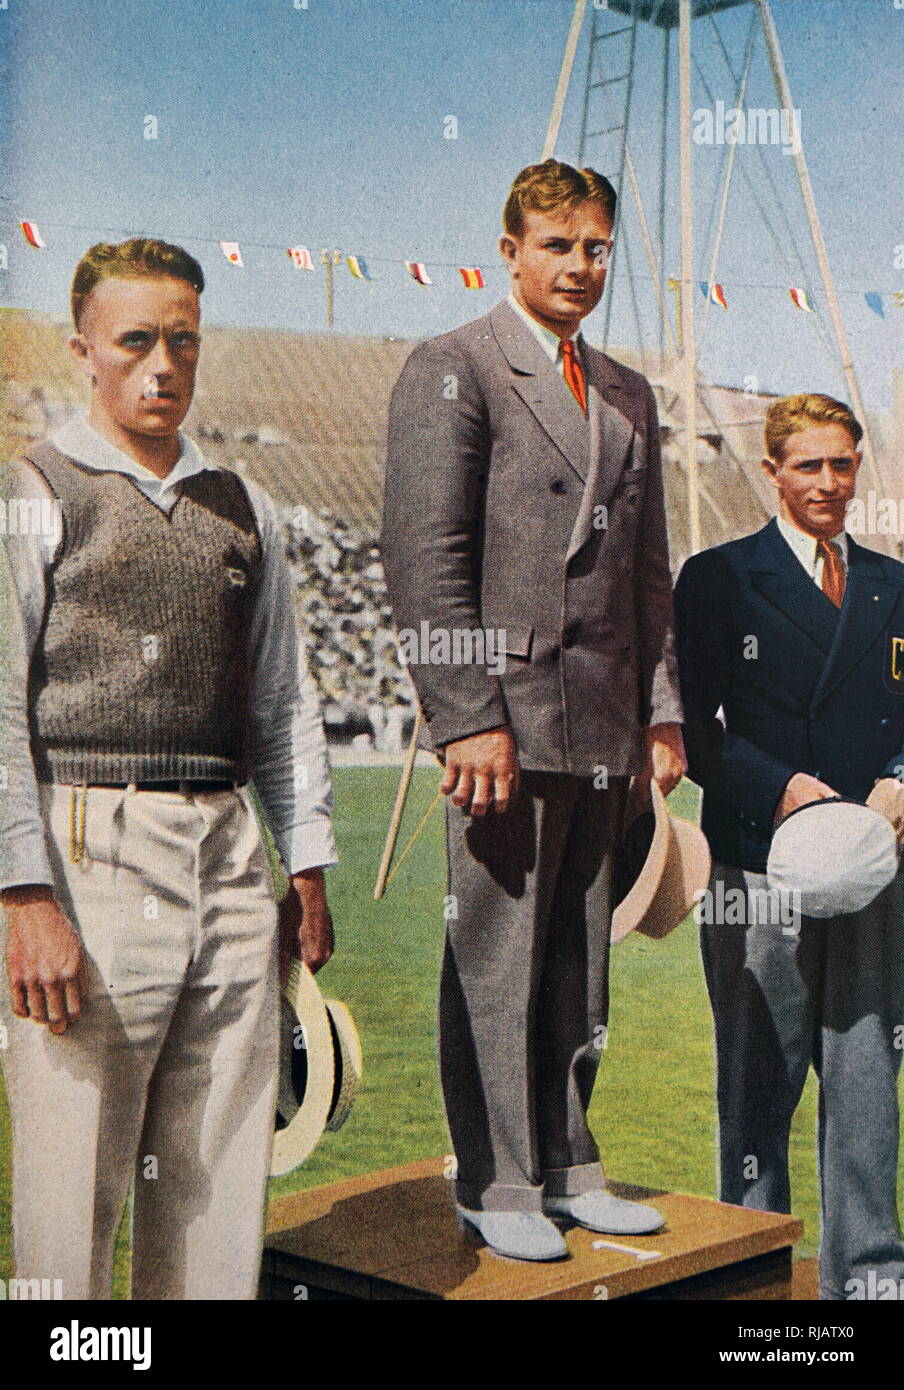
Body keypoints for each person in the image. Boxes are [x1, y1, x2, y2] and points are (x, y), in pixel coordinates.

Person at [0, 238, 337, 1300]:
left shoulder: (247, 504)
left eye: (181, 341)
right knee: (71, 1177)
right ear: (84, 350)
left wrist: (309, 869)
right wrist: (23, 892)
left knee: (216, 1174)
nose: (162, 364)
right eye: (136, 340)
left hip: (230, 850)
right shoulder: (35, 490)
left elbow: (283, 701)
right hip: (88, 845)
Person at [381, 160, 686, 1262]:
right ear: (507, 249)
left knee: (581, 955)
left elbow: (647, 574)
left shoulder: (627, 392)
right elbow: (425, 560)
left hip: (604, 717)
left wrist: (663, 710)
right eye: (557, 245)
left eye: (597, 247)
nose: (579, 266)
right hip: (501, 717)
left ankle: (568, 1161)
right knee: (500, 951)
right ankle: (493, 1176)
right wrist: (465, 715)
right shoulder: (454, 366)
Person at [674, 392, 904, 1300]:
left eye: (842, 463)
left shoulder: (894, 586)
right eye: (808, 465)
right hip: (758, 868)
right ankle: (755, 1277)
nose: (828, 482)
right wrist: (780, 790)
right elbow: (692, 726)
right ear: (770, 471)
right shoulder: (719, 576)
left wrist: (899, 780)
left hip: (876, 868)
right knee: (759, 1081)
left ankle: (873, 1279)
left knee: (867, 1080)